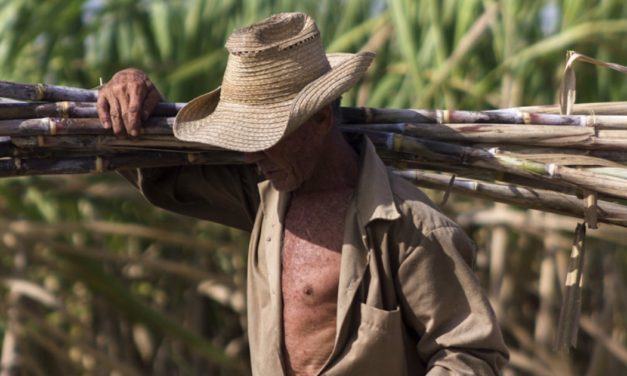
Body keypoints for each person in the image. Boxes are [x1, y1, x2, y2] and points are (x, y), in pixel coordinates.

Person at [97, 12, 508, 376]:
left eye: (266, 136)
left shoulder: (409, 228)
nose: (250, 154)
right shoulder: (262, 196)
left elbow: (470, 353)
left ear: (320, 118)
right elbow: (158, 173)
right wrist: (128, 89)